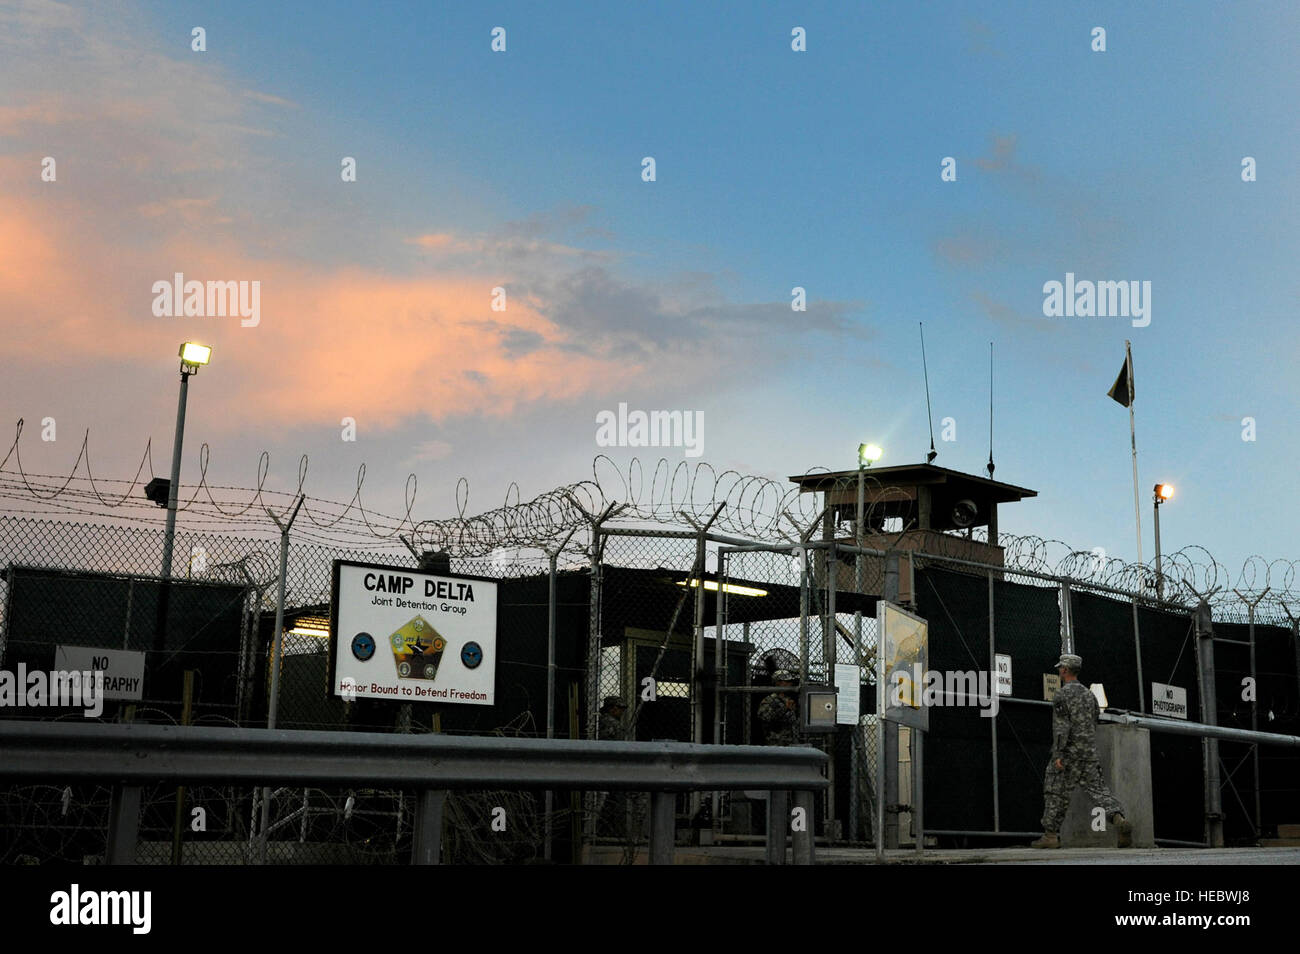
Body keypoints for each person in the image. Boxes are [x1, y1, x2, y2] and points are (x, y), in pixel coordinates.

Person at [1032, 654, 1132, 849]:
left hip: (1069, 753)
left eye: (1061, 667)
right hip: (1089, 753)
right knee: (1099, 791)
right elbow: (1095, 719)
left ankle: (1050, 836)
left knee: (1055, 791)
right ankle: (1119, 819)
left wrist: (1059, 754)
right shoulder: (1089, 695)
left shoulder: (1062, 695)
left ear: (1065, 670)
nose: (1059, 670)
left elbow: (1062, 726)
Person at [758, 670, 800, 746]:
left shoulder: (789, 699)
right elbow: (765, 718)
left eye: (790, 681)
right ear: (777, 683)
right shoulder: (769, 700)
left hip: (791, 741)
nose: (790, 683)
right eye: (786, 681)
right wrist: (785, 709)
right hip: (776, 742)